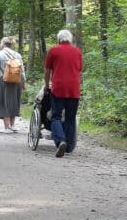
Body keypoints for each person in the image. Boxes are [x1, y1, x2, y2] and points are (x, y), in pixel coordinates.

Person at [44, 29, 82, 158]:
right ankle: (69, 147)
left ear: (59, 39)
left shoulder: (53, 50)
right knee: (70, 118)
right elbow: (79, 70)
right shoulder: (77, 51)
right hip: (74, 88)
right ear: (70, 39)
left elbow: (47, 71)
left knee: (56, 116)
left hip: (58, 87)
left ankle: (61, 141)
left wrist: (46, 85)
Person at [0, 37, 25, 133]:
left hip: (2, 80)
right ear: (11, 44)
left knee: (4, 102)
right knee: (13, 102)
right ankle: (12, 125)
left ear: (2, 44)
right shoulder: (18, 55)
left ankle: (6, 127)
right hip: (16, 81)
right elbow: (22, 70)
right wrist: (23, 82)